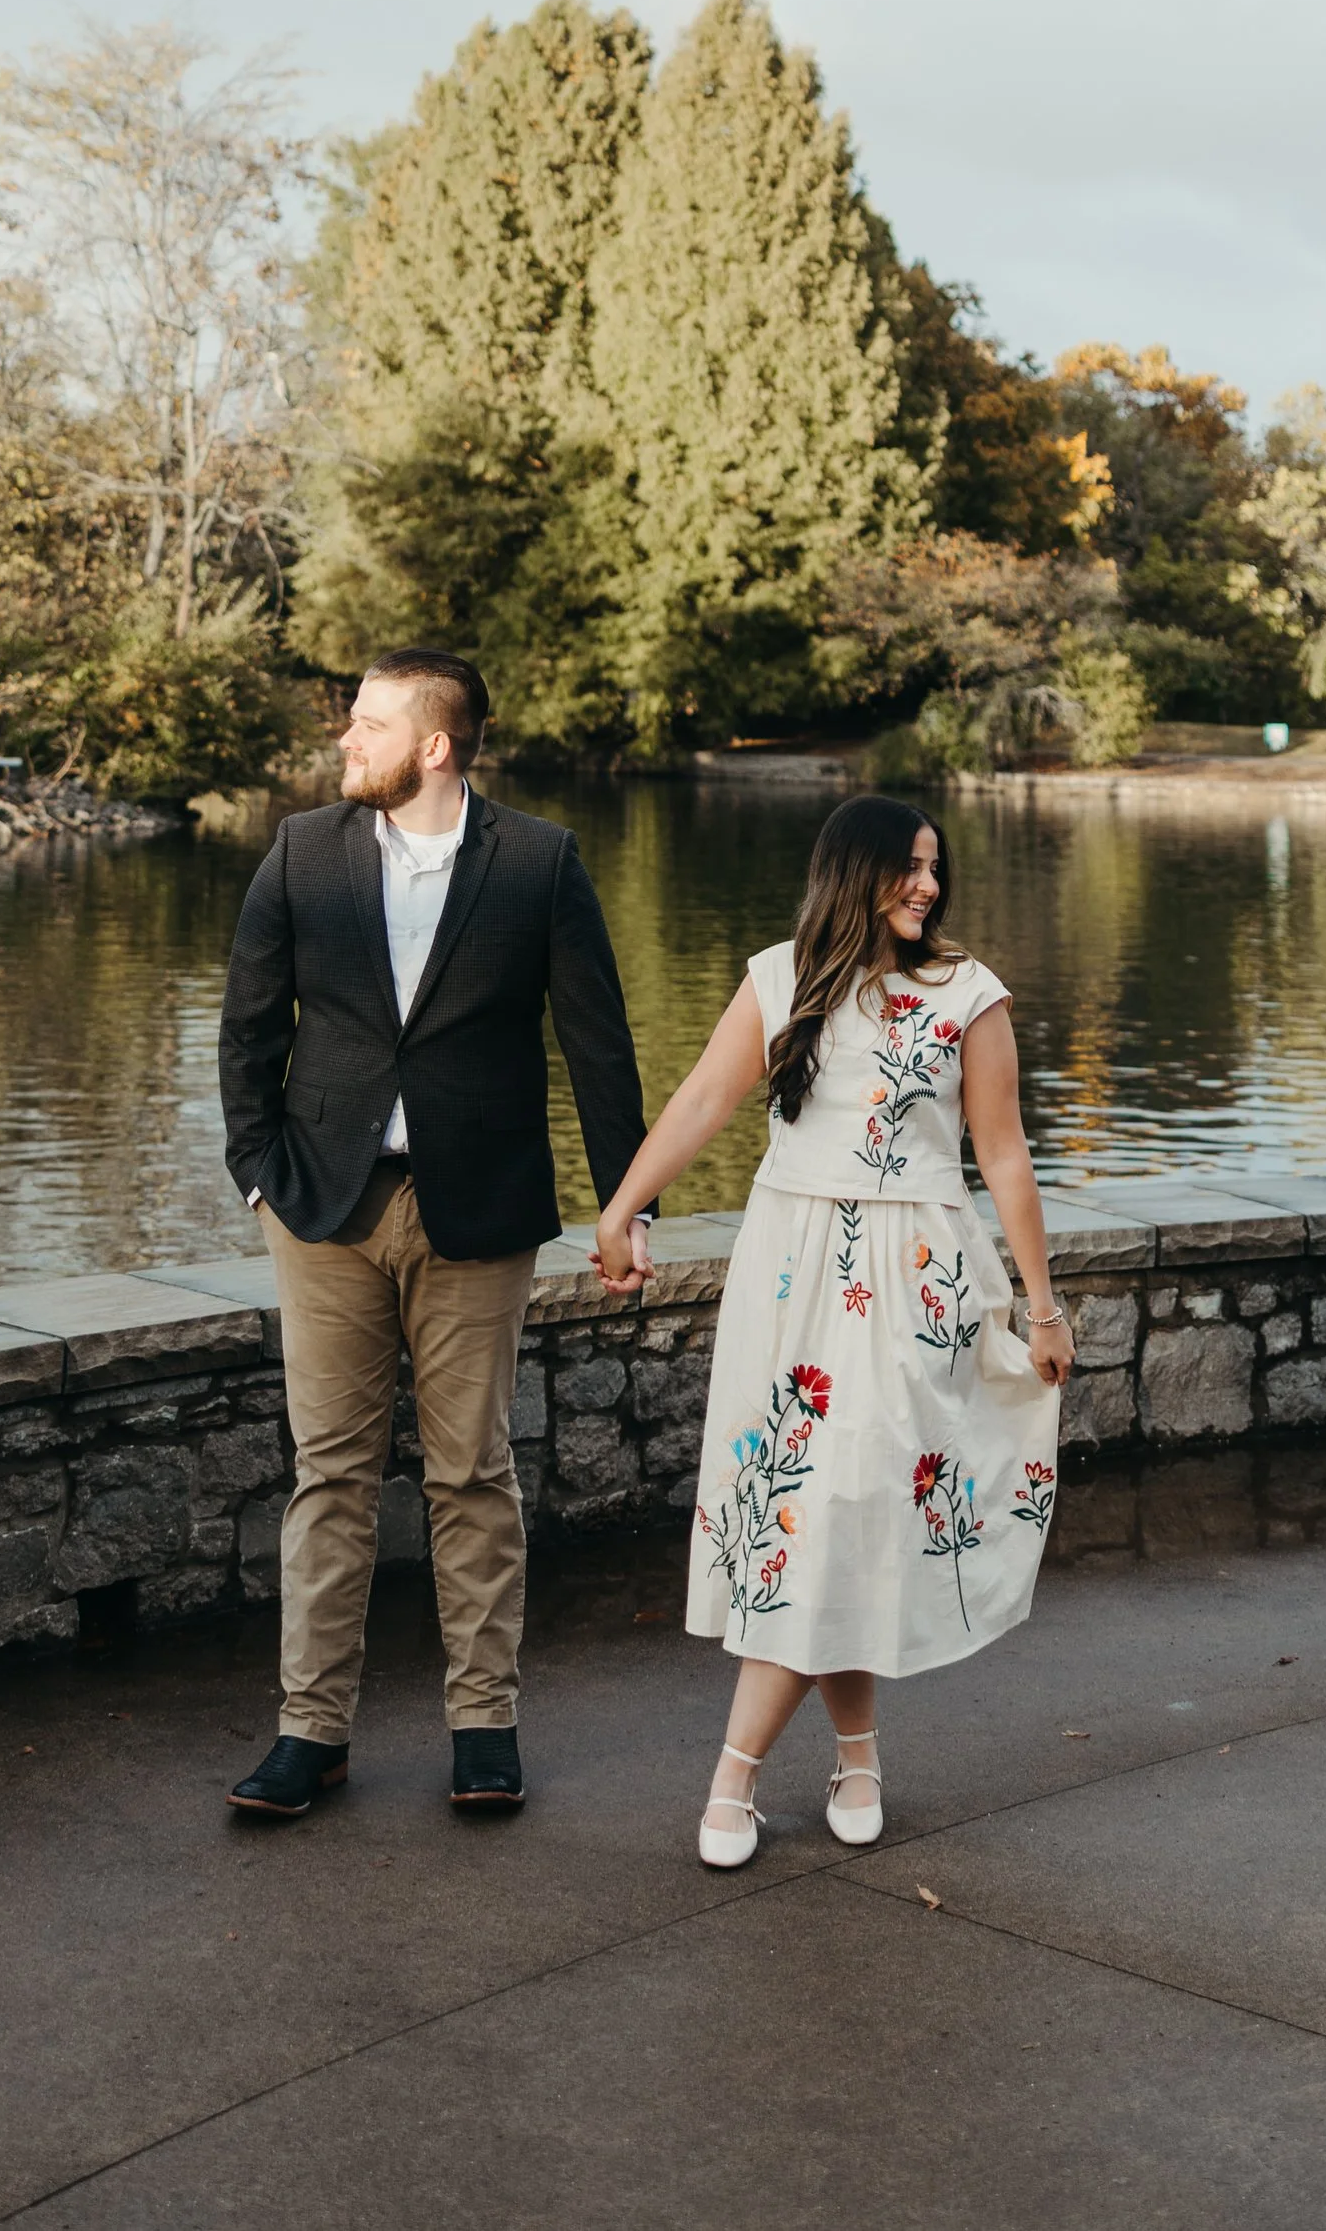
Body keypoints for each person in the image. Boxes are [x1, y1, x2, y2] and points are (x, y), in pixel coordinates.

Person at [593, 793, 1075, 1866]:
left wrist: (1039, 1305)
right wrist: (623, 1207)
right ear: (851, 871)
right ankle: (855, 1752)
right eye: (909, 865)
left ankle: (734, 1774)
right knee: (814, 1513)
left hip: (914, 1282)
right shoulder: (780, 979)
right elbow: (700, 1102)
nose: (928, 884)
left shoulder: (967, 993)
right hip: (790, 1273)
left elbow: (1002, 1156)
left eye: (934, 868)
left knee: (848, 1501)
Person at [217, 648, 652, 1822]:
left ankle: (484, 1725)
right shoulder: (304, 853)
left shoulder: (539, 862)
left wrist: (628, 1206)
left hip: (479, 1209)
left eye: (366, 724)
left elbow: (595, 1043)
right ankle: (311, 1733)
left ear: (436, 746)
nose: (345, 741)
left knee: (471, 1472)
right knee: (331, 1477)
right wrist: (257, 1173)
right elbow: (247, 1027)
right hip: (323, 1209)